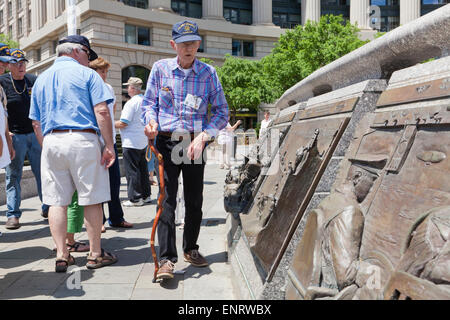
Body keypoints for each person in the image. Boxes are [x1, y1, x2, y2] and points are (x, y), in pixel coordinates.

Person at [142, 20, 228, 280]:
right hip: (167, 141)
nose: (188, 48)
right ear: (173, 45)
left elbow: (222, 112)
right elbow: (148, 105)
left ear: (199, 44)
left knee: (194, 200)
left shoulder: (209, 73)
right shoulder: (160, 69)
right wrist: (149, 122)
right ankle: (167, 259)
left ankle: (191, 248)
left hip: (194, 141)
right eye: (183, 44)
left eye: (192, 43)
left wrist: (204, 135)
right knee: (166, 200)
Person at [29, 35, 118, 272]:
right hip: (83, 138)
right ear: (78, 51)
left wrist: (46, 145)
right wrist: (109, 145)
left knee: (56, 201)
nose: (89, 61)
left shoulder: (40, 79)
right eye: (88, 55)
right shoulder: (87, 74)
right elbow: (102, 111)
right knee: (91, 198)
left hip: (51, 140)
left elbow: (36, 122)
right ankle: (95, 254)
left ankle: (62, 254)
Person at [0, 49, 49, 230]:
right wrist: (6, 134)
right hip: (15, 136)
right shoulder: (3, 82)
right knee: (13, 176)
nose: (21, 66)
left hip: (35, 135)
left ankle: (47, 207)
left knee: (42, 173)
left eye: (23, 63)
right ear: (9, 65)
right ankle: (13, 214)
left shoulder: (33, 80)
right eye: (16, 63)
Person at [89, 57, 133, 228]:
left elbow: (112, 112)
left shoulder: (108, 88)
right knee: (97, 182)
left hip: (110, 140)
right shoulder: (89, 88)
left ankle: (116, 218)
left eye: (106, 71)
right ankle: (98, 220)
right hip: (95, 141)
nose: (104, 75)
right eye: (101, 71)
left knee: (114, 181)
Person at [116, 77, 151, 207]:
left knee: (132, 171)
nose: (126, 89)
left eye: (128, 87)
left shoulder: (131, 103)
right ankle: (146, 195)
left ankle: (135, 198)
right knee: (142, 169)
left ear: (132, 88)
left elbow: (124, 122)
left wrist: (108, 124)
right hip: (142, 140)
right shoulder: (144, 101)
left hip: (130, 141)